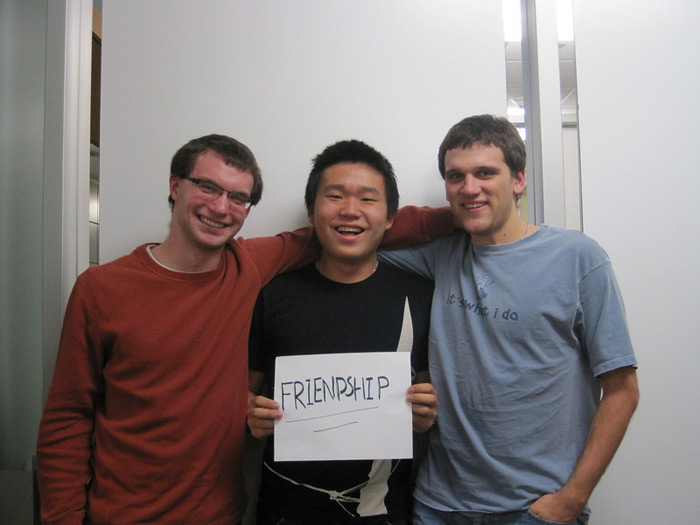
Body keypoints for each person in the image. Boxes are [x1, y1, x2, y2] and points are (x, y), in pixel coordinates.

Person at [36, 134, 453, 525]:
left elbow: (354, 228)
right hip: (119, 514)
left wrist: (467, 212)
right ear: (175, 184)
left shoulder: (250, 266)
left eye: (238, 197)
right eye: (207, 187)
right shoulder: (101, 288)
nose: (221, 208)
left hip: (222, 512)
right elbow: (66, 419)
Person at [379, 115, 640, 524]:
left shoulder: (577, 257)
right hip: (438, 505)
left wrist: (572, 498)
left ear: (518, 180)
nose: (469, 188)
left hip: (535, 508)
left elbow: (622, 389)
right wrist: (437, 217)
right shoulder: (441, 255)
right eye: (455, 177)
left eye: (485, 173)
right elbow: (358, 236)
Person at [247, 139, 440, 525]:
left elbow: (427, 390)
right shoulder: (273, 295)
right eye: (334, 196)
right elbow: (245, 395)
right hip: (285, 509)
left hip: (382, 510)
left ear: (389, 217)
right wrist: (251, 415)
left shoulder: (418, 296)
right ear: (312, 210)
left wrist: (425, 412)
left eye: (368, 199)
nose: (350, 210)